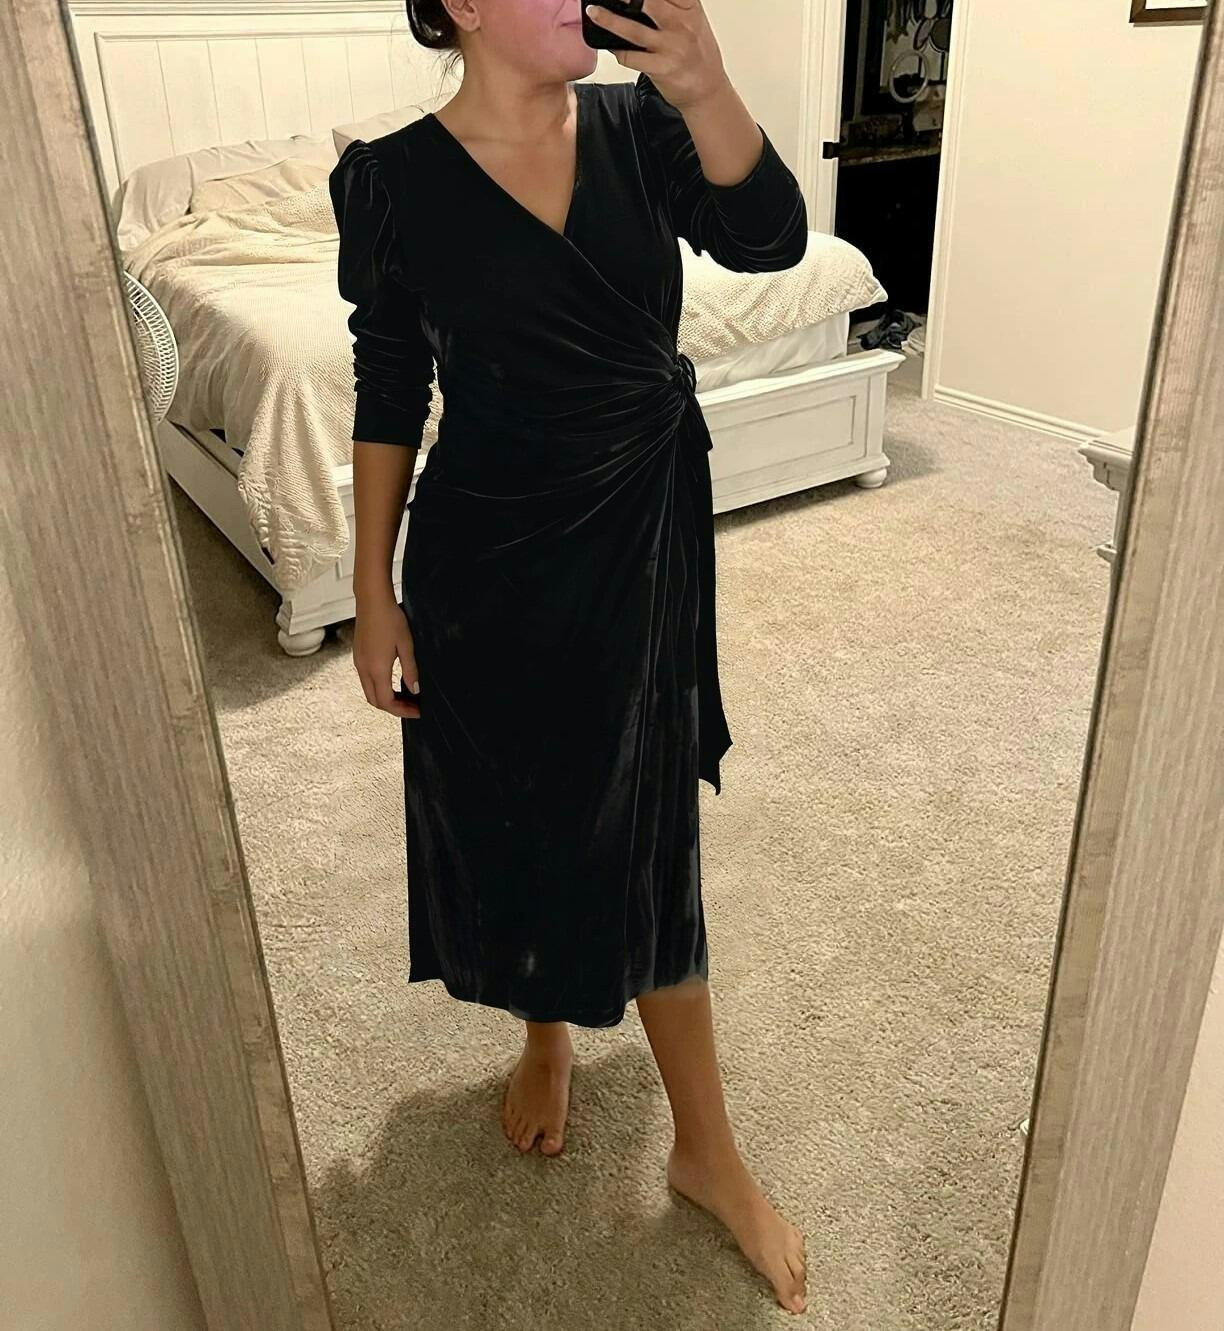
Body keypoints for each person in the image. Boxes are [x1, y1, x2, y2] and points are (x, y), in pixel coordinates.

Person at [328, 0, 810, 1313]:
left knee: (645, 829)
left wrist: (708, 83)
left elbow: (771, 239)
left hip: (639, 536)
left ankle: (707, 1151)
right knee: (524, 810)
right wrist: (371, 590)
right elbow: (388, 383)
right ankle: (545, 1030)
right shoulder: (389, 184)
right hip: (488, 561)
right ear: (465, 6)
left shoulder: (643, 127)